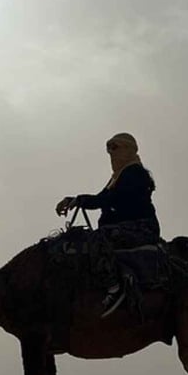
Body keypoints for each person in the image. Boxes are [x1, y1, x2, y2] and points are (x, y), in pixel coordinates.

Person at [55, 132, 159, 317]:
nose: (111, 153)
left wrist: (81, 200)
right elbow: (101, 199)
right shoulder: (117, 177)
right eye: (109, 149)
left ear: (128, 149)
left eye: (115, 147)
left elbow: (111, 199)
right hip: (123, 227)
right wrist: (76, 200)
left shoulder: (135, 173)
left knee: (97, 239)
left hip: (141, 227)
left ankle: (115, 287)